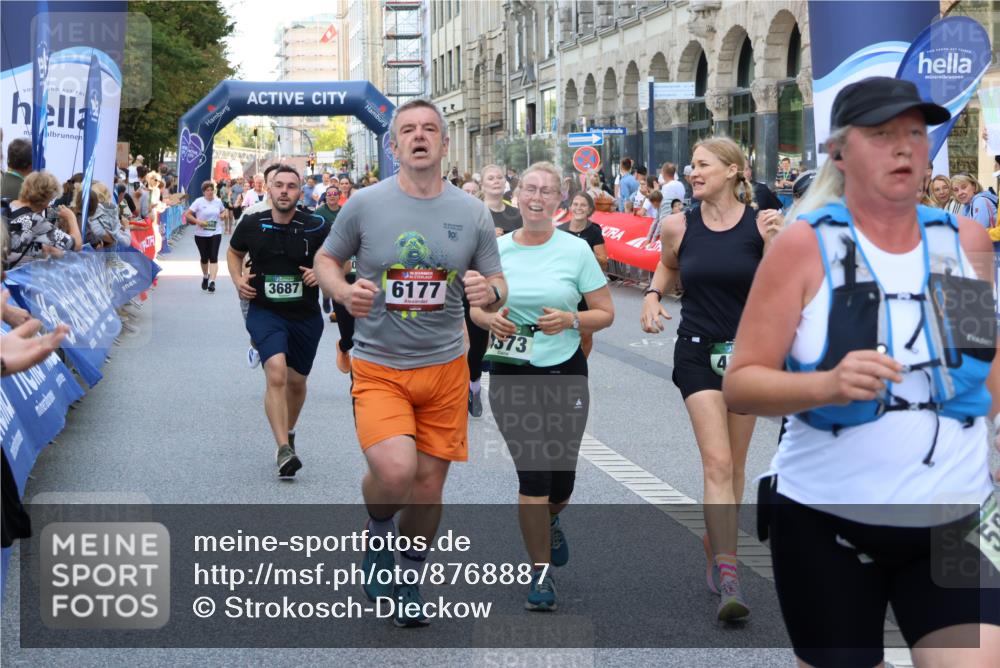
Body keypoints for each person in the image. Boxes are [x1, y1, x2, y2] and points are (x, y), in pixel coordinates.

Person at [723, 75, 1000, 668]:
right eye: (881, 134)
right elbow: (741, 383)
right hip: (828, 520)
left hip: (955, 516)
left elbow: (986, 370)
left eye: (915, 133)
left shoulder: (966, 240)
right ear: (840, 153)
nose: (903, 147)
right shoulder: (803, 247)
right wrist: (825, 384)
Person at [314, 98, 506, 628]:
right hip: (378, 364)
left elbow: (497, 284)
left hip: (446, 367)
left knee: (427, 488)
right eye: (408, 130)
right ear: (394, 145)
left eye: (429, 130)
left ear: (444, 144)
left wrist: (484, 289)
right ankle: (378, 530)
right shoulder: (365, 204)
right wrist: (341, 289)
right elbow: (327, 260)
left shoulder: (471, 212)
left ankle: (409, 574)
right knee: (395, 472)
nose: (419, 137)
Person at [639, 137, 783, 622]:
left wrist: (776, 244)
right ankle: (729, 575)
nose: (692, 172)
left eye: (702, 165)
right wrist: (653, 295)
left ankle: (716, 539)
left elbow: (787, 286)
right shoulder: (678, 224)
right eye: (691, 165)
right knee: (718, 462)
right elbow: (668, 264)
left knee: (737, 467)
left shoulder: (762, 224)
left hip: (748, 358)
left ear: (734, 171)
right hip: (697, 353)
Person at [470, 162, 613, 611]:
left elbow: (605, 312)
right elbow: (474, 309)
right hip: (511, 373)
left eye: (546, 191)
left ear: (559, 200)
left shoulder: (576, 251)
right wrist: (489, 318)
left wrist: (572, 319)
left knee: (561, 482)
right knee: (533, 475)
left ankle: (552, 518)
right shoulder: (496, 250)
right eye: (529, 189)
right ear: (517, 194)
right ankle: (540, 575)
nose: (536, 197)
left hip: (565, 368)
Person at [227, 165, 331, 478]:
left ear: (301, 192)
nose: (284, 191)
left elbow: (340, 259)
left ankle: (290, 430)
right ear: (269, 190)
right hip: (265, 310)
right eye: (279, 185)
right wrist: (237, 279)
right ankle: (283, 448)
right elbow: (233, 253)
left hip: (305, 315)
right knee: (275, 372)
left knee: (297, 382)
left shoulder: (316, 225)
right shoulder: (252, 222)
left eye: (291, 186)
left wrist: (321, 273)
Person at [558, 192, 609, 358]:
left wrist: (584, 251)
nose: (579, 208)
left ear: (589, 210)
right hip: (565, 286)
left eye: (583, 205)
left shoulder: (594, 231)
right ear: (570, 207)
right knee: (562, 328)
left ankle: (582, 366)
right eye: (576, 204)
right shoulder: (560, 231)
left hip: (586, 288)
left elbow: (603, 261)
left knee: (585, 333)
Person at [4, 172, 82, 269]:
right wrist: (71, 218)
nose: (49, 205)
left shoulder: (5, 204)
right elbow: (76, 245)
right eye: (50, 200)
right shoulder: (36, 221)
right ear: (45, 199)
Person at [185, 180, 226, 293]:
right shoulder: (198, 202)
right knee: (204, 258)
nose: (210, 192)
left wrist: (223, 215)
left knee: (213, 257)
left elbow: (223, 211)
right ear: (203, 192)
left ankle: (212, 282)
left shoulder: (218, 201)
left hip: (215, 232)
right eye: (207, 190)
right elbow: (187, 214)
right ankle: (205, 276)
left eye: (211, 190)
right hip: (201, 234)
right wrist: (198, 221)